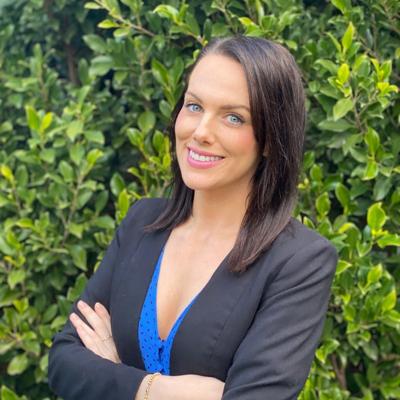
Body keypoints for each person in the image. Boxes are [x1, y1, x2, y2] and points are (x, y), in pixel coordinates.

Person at [48, 35, 338, 400]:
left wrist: (111, 373)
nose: (200, 132)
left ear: (269, 139)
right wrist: (152, 389)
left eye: (233, 118)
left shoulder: (300, 262)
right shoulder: (142, 223)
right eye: (194, 106)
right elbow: (64, 361)